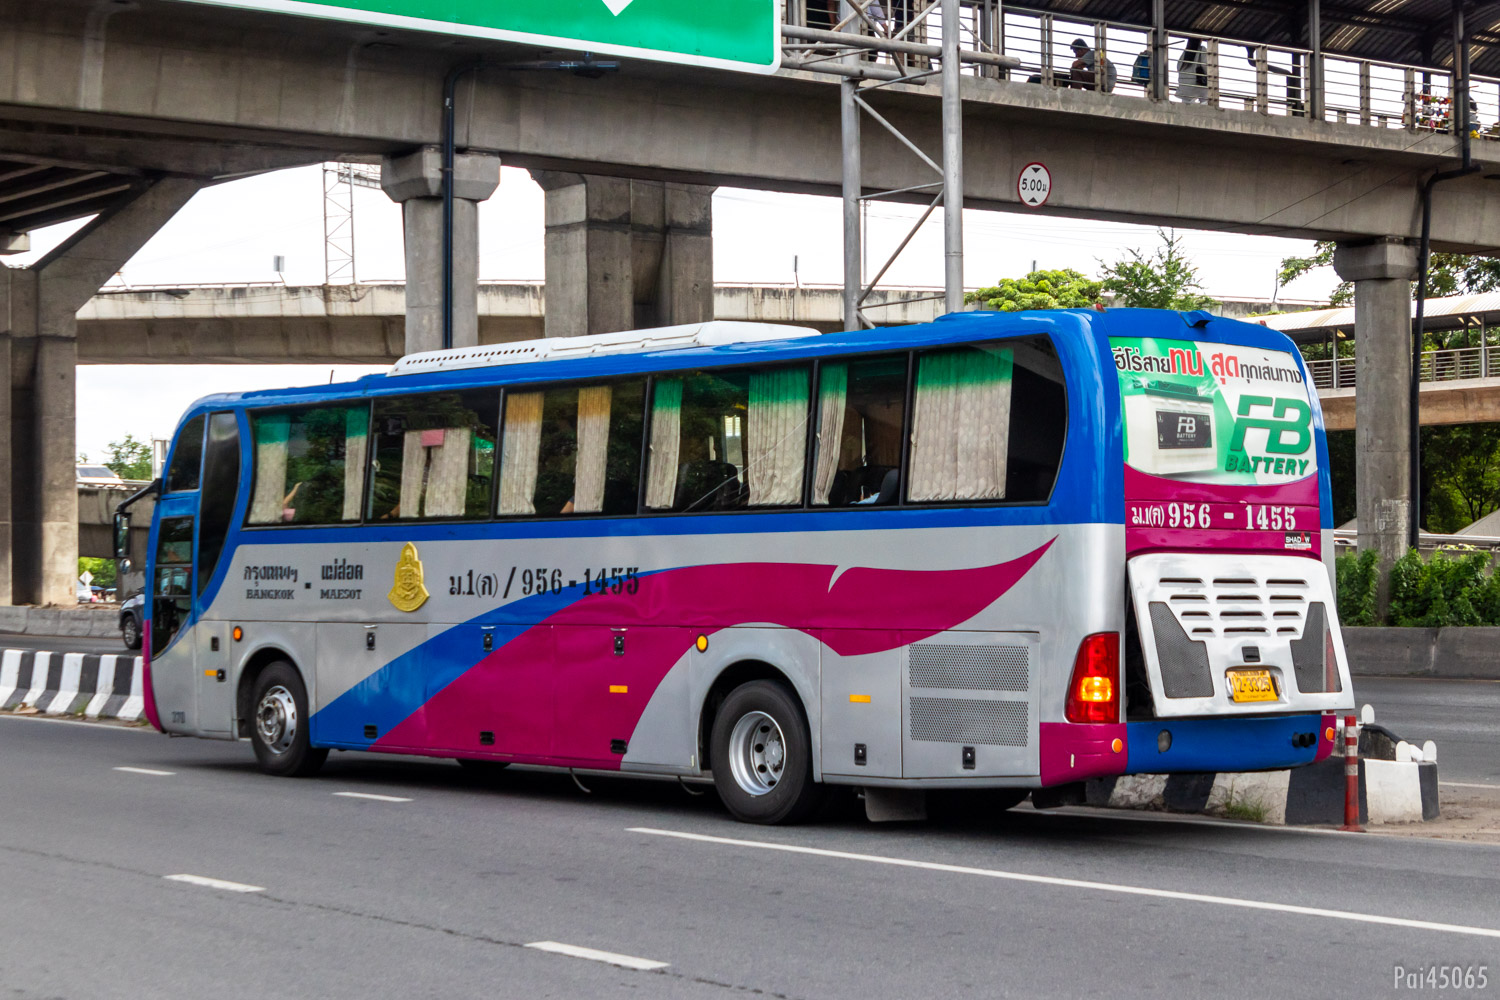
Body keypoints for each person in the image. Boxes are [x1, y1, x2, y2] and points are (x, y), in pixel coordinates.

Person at [1176, 38, 1210, 104]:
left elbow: (1178, 66)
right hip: (1197, 84)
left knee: (1186, 101)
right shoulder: (1202, 49)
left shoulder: (1185, 52)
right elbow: (1205, 65)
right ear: (1200, 40)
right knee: (1207, 95)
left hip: (1184, 86)